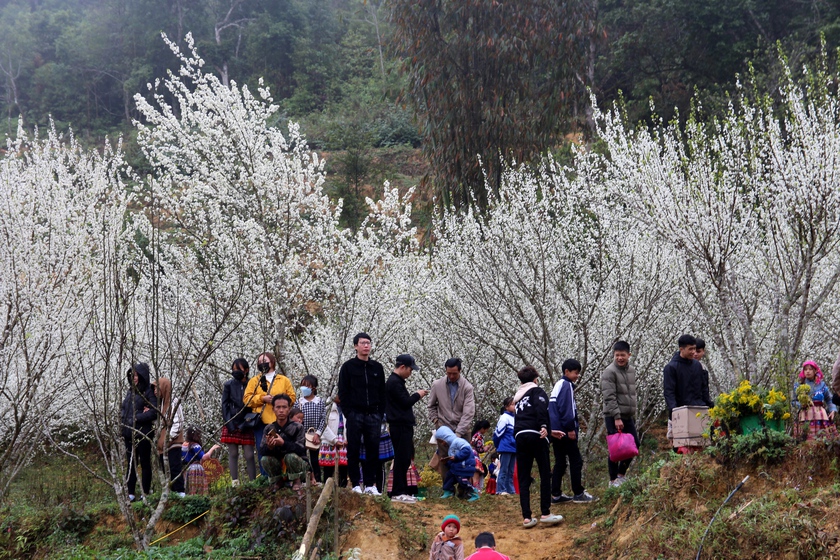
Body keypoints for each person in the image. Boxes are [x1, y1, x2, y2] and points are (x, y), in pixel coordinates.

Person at [337, 332, 387, 495]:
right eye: (363, 343)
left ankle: (370, 484)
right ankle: (355, 484)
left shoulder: (377, 368)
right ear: (355, 346)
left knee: (373, 449)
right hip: (355, 414)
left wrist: (380, 413)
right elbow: (343, 392)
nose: (366, 346)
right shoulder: (348, 367)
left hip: (373, 414)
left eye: (368, 343)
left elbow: (382, 392)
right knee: (353, 449)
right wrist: (349, 413)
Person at [514, 365, 562, 528]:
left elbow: (523, 418)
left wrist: (550, 431)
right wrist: (543, 426)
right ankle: (545, 512)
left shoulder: (518, 397)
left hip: (520, 436)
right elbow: (541, 410)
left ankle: (527, 517)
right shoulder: (537, 391)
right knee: (544, 472)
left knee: (524, 476)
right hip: (536, 435)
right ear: (535, 380)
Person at [549, 359, 596, 504]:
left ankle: (555, 494)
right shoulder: (566, 385)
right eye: (575, 373)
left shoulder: (558, 385)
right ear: (567, 372)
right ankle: (578, 492)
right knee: (576, 461)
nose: (577, 376)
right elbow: (566, 409)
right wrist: (570, 428)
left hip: (555, 430)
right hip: (564, 430)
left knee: (560, 462)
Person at [244, 352, 296, 476]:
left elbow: (292, 398)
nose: (262, 363)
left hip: (280, 421)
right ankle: (266, 478)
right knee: (263, 450)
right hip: (261, 422)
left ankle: (285, 477)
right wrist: (262, 399)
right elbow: (246, 399)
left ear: (272, 362)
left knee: (282, 448)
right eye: (259, 361)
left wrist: (278, 401)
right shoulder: (254, 381)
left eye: (265, 360)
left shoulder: (283, 380)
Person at [385, 354, 428, 503]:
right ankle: (398, 492)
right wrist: (418, 394)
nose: (411, 373)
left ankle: (401, 490)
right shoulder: (394, 382)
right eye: (410, 369)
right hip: (400, 425)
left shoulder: (397, 381)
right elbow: (405, 402)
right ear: (402, 367)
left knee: (404, 458)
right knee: (401, 459)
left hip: (403, 425)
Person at [601, 340, 639, 487]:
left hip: (627, 415)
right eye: (617, 355)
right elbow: (609, 396)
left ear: (629, 355)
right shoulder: (609, 372)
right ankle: (613, 480)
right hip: (613, 415)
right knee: (616, 447)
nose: (620, 358)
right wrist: (616, 417)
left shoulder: (631, 371)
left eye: (622, 355)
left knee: (635, 444)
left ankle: (621, 474)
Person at [120, 362, 158, 502]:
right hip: (129, 433)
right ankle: (130, 492)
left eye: (136, 375)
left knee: (145, 463)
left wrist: (137, 418)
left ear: (142, 376)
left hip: (143, 433)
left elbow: (154, 412)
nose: (134, 378)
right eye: (132, 375)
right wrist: (124, 419)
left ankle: (145, 492)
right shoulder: (130, 391)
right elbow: (124, 407)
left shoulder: (148, 392)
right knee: (131, 463)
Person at [260, 394, 308, 488]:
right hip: (279, 465)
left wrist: (283, 443)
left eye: (284, 407)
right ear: (273, 409)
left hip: (298, 465)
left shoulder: (298, 427)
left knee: (290, 457)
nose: (281, 410)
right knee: (265, 459)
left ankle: (296, 480)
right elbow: (262, 450)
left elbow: (301, 449)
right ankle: (278, 481)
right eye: (278, 407)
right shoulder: (269, 428)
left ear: (289, 409)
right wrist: (270, 447)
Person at [221, 358, 256, 486]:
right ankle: (235, 482)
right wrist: (229, 424)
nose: (235, 372)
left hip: (247, 422)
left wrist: (246, 423)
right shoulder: (228, 385)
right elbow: (224, 406)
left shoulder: (252, 384)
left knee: (249, 455)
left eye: (238, 369)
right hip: (231, 421)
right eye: (234, 369)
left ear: (246, 370)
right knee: (233, 453)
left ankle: (253, 483)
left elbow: (254, 405)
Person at [662, 334, 714, 419]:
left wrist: (709, 406)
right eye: (690, 349)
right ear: (681, 349)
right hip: (681, 412)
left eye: (694, 348)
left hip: (699, 410)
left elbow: (704, 389)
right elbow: (669, 392)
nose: (693, 352)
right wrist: (675, 412)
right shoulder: (671, 368)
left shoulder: (697, 365)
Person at [152, 377, 185, 497]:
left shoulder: (173, 402)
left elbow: (179, 422)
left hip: (173, 444)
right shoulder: (160, 405)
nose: (155, 391)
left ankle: (180, 494)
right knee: (166, 472)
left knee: (174, 468)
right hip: (162, 447)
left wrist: (168, 438)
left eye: (157, 387)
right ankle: (171, 495)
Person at [428, 358, 476, 439]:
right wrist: (436, 421)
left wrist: (458, 433)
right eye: (449, 373)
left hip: (463, 431)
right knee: (444, 452)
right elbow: (431, 406)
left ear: (460, 370)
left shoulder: (467, 387)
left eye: (454, 374)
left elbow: (468, 412)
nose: (451, 376)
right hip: (443, 429)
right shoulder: (437, 385)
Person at [794, 360, 837, 440]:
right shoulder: (799, 385)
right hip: (805, 414)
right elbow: (794, 401)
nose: (808, 371)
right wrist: (801, 405)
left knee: (823, 439)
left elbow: (829, 398)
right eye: (805, 369)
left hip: (820, 414)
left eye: (810, 369)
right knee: (805, 441)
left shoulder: (821, 384)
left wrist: (833, 409)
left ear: (815, 371)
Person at [434, 426, 479, 501]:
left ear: (446, 437)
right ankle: (448, 491)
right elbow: (453, 461)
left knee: (463, 481)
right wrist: (446, 462)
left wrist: (456, 457)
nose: (442, 444)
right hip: (457, 468)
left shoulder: (459, 441)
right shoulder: (451, 447)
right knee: (449, 477)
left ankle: (474, 493)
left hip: (465, 467)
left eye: (442, 441)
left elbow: (467, 450)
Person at [298, 374, 327, 485]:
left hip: (315, 435)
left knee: (315, 459)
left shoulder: (319, 402)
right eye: (302, 385)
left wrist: (317, 434)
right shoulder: (299, 402)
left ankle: (318, 480)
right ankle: (304, 479)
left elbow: (323, 419)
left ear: (313, 388)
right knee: (303, 458)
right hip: (301, 435)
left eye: (307, 386)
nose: (303, 388)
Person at [181, 426, 220, 495]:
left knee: (189, 488)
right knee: (198, 490)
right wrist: (212, 449)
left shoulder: (184, 445)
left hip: (187, 469)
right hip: (196, 468)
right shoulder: (195, 445)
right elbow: (204, 457)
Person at [320, 398, 349, 487]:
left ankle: (342, 490)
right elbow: (323, 425)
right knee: (328, 469)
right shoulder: (326, 407)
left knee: (343, 468)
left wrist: (348, 438)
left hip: (344, 442)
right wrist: (334, 440)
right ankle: (326, 490)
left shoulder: (348, 407)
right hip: (330, 441)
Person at [492, 397, 516, 496]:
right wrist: (498, 446)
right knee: (504, 469)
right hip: (506, 447)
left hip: (514, 447)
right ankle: (500, 489)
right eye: (512, 404)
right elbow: (497, 434)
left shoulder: (515, 418)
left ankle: (510, 489)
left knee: (511, 471)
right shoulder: (504, 418)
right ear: (506, 407)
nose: (514, 406)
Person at [470, 420, 491, 491]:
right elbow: (479, 449)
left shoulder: (474, 434)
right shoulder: (479, 436)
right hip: (475, 456)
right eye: (486, 429)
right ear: (482, 428)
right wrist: (485, 448)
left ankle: (471, 490)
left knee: (471, 474)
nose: (486, 431)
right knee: (477, 473)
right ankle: (476, 491)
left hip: (470, 455)